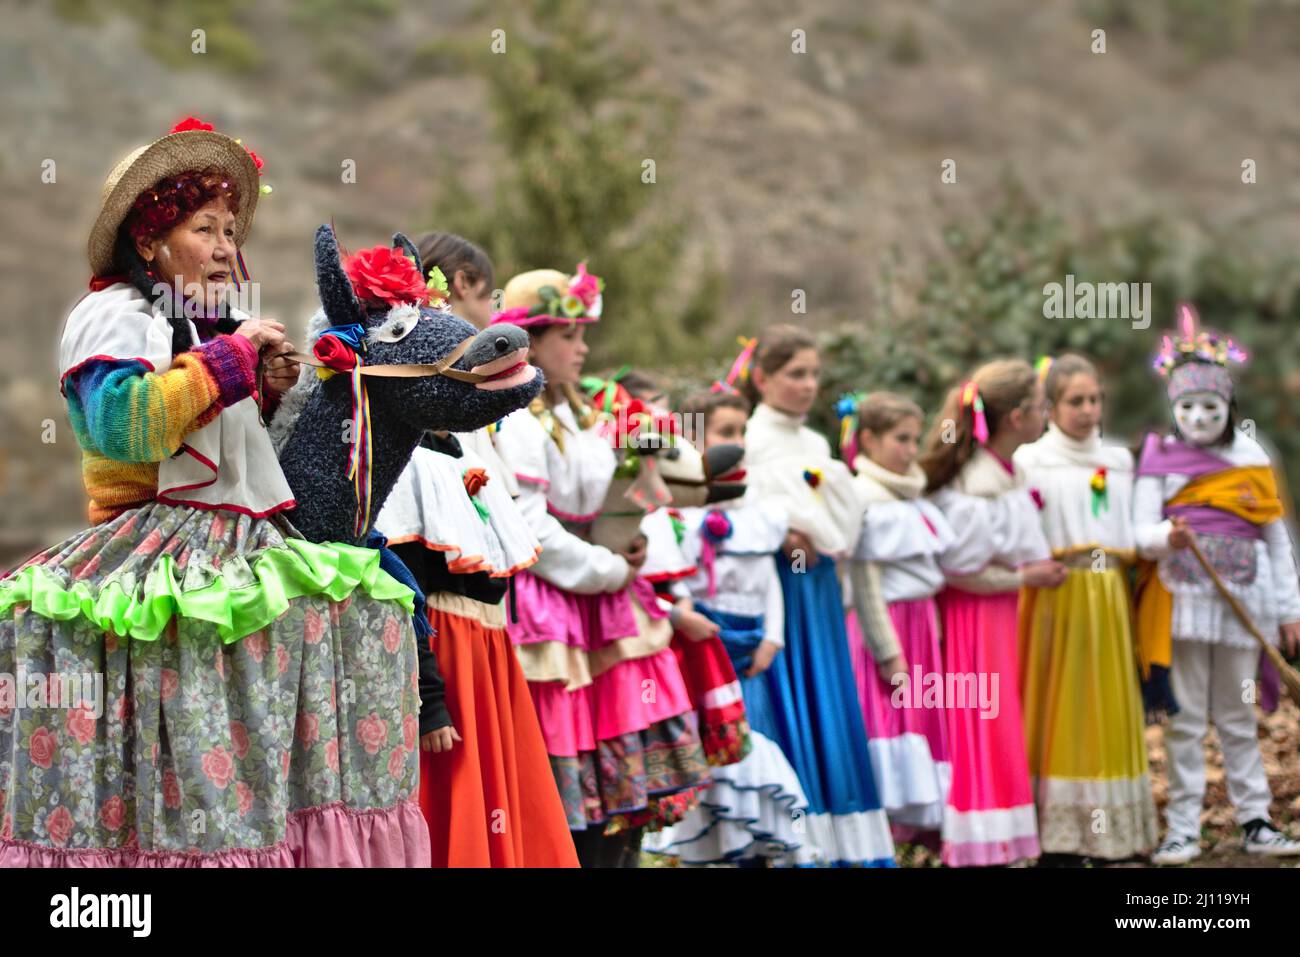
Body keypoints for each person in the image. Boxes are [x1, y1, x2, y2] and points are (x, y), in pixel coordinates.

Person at [0, 117, 429, 866]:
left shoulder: (194, 330)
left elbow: (219, 447)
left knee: (361, 617)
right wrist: (231, 363)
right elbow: (123, 428)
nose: (229, 246)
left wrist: (256, 389)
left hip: (235, 539)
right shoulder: (116, 313)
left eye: (232, 228)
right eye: (206, 227)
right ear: (148, 242)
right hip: (159, 543)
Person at [490, 265, 710, 867]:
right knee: (569, 792)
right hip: (555, 605)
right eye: (569, 335)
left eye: (584, 334)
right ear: (528, 339)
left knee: (622, 796)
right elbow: (529, 525)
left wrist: (632, 545)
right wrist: (608, 567)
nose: (584, 348)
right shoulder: (519, 417)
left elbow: (645, 486)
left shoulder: (588, 413)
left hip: (609, 599)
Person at [373, 233, 578, 867]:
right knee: (452, 815)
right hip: (449, 651)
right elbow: (401, 577)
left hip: (486, 648)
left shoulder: (463, 442)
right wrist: (429, 695)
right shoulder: (406, 458)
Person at [1135, 309, 1300, 864]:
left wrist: (1289, 611)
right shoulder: (1160, 459)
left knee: (1237, 713)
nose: (1199, 417)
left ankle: (1255, 820)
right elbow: (1136, 533)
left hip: (1243, 604)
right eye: (1187, 408)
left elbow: (1275, 539)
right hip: (1182, 604)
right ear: (1174, 409)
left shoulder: (1251, 457)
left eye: (1210, 407)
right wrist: (1166, 537)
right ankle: (1183, 827)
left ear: (1229, 407)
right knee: (1184, 720)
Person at [643, 389, 820, 865]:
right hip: (706, 638)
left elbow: (769, 580)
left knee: (752, 735)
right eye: (724, 433)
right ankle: (716, 845)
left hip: (751, 640)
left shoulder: (757, 508)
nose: (736, 443)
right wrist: (683, 612)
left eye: (741, 432)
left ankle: (756, 841)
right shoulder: (675, 511)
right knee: (714, 738)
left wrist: (773, 636)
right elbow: (667, 577)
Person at [742, 325, 896, 866]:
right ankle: (795, 840)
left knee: (826, 692)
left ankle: (845, 840)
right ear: (762, 378)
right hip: (780, 584)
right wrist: (778, 529)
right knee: (791, 697)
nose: (807, 385)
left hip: (821, 585)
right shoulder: (749, 439)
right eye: (794, 374)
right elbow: (740, 513)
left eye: (813, 374)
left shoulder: (814, 444)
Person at [919, 358, 1064, 867]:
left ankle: (1004, 838)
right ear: (1017, 416)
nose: (1048, 413)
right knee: (984, 719)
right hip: (974, 618)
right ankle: (979, 840)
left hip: (1004, 611)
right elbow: (959, 569)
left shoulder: (1011, 472)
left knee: (1005, 720)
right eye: (1043, 406)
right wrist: (1024, 577)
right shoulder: (974, 488)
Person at [1015, 355, 1157, 862]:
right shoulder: (1030, 461)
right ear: (1050, 406)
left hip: (1107, 594)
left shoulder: (1118, 461)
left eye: (1094, 399)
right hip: (1053, 593)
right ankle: (1056, 834)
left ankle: (1108, 831)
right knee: (1057, 706)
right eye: (1075, 401)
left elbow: (1133, 535)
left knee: (1103, 704)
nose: (1088, 410)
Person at [840, 392, 955, 843]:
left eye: (914, 439)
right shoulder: (865, 496)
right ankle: (878, 831)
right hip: (887, 629)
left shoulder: (911, 493)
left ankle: (912, 829)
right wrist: (889, 652)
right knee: (885, 719)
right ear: (868, 439)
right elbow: (865, 583)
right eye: (899, 439)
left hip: (919, 624)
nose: (910, 450)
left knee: (917, 722)